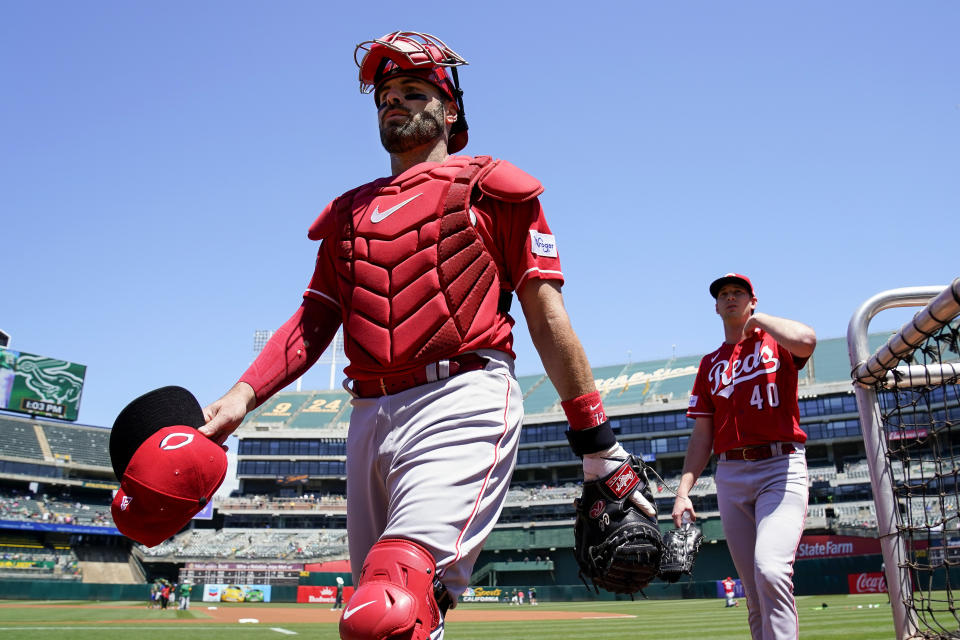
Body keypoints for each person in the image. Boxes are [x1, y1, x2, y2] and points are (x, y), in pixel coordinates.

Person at [199, 31, 653, 640]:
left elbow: (547, 318)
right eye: (385, 94)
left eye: (413, 91)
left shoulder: (492, 187)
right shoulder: (346, 215)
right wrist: (241, 396)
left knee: (393, 603)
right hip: (366, 415)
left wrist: (597, 443)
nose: (394, 102)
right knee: (383, 610)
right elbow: (312, 322)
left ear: (451, 108)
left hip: (461, 399)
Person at [672, 273, 816, 640]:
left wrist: (760, 320)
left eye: (738, 292)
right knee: (753, 592)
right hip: (731, 473)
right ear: (716, 307)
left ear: (753, 300)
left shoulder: (775, 343)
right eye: (723, 294)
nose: (730, 298)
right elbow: (702, 435)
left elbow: (807, 340)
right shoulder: (710, 365)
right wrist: (683, 492)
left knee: (771, 569)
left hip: (779, 466)